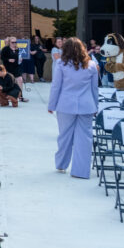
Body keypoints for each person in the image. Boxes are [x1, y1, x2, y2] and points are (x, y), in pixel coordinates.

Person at [48, 37, 99, 179]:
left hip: (65, 105)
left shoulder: (60, 64)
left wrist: (51, 104)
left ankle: (61, 164)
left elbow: (56, 86)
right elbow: (94, 89)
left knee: (64, 136)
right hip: (87, 105)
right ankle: (81, 171)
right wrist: (96, 106)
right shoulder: (92, 65)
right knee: (85, 138)